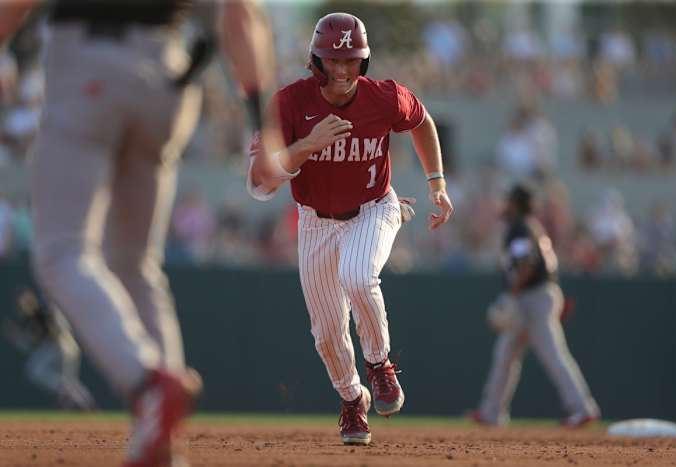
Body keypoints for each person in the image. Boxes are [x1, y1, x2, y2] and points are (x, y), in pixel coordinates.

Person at [0, 1, 285, 466]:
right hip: (168, 76)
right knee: (134, 264)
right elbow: (240, 14)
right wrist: (262, 127)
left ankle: (149, 385)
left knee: (61, 251)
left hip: (89, 60)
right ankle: (165, 445)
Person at [247, 12, 454, 445]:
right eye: (333, 60)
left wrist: (436, 182)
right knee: (326, 334)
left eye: (351, 60)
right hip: (315, 222)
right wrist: (307, 144)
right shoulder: (288, 103)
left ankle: (379, 365)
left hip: (374, 207)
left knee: (358, 276)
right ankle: (351, 400)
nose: (342, 70)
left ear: (364, 60)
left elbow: (422, 122)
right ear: (315, 61)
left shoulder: (384, 97)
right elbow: (258, 178)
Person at [471, 184, 600, 428]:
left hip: (533, 297)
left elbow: (527, 264)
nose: (505, 205)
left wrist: (512, 295)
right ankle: (491, 412)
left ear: (517, 204)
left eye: (509, 201)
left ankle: (583, 408)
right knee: (506, 354)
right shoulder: (530, 225)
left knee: (552, 355)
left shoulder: (520, 226)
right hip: (537, 295)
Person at [3, 285, 95, 411]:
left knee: (36, 370)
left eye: (25, 299)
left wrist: (55, 328)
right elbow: (29, 344)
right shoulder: (32, 318)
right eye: (21, 302)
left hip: (61, 345)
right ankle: (86, 404)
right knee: (68, 381)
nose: (23, 304)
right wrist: (16, 336)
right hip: (63, 348)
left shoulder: (44, 310)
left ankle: (71, 397)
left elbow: (59, 326)